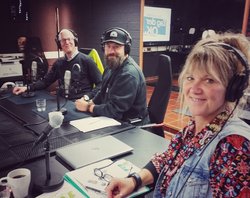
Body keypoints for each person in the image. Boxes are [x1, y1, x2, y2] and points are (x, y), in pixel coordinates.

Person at [106, 32, 250, 198]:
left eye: (209, 80)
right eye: (190, 77)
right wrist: (134, 180)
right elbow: (167, 159)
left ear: (233, 89)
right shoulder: (194, 127)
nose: (194, 89)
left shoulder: (235, 146)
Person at [75, 27, 149, 124]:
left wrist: (88, 107)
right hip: (115, 120)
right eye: (108, 46)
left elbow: (114, 110)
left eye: (116, 47)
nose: (111, 51)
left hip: (131, 126)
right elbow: (102, 92)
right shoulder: (111, 67)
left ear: (126, 49)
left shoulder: (128, 74)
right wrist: (90, 102)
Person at [13, 29, 102, 100]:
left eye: (69, 39)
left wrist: (87, 97)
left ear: (75, 41)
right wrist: (26, 88)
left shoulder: (87, 60)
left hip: (81, 103)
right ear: (59, 44)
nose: (66, 42)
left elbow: (100, 84)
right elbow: (45, 81)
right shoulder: (59, 63)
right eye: (63, 40)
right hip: (63, 102)